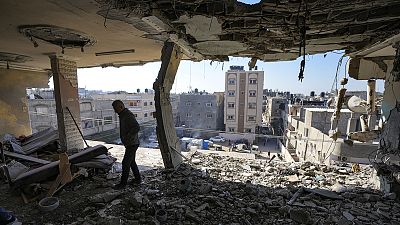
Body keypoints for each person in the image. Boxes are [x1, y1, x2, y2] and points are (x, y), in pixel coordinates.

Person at [112, 100, 141, 189]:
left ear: (121, 107)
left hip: (132, 143)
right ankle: (138, 179)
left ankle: (123, 184)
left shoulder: (128, 115)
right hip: (131, 143)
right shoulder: (123, 115)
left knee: (125, 163)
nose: (115, 111)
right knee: (132, 162)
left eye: (115, 108)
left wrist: (128, 136)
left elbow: (136, 127)